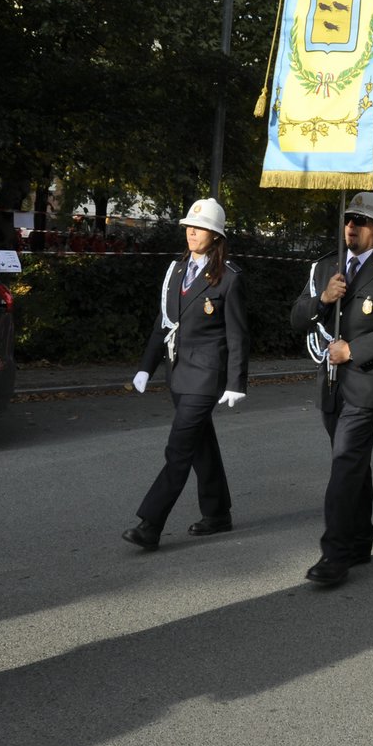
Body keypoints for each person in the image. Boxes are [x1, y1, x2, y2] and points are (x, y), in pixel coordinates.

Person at [290, 192, 373, 587]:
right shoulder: (327, 266)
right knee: (352, 463)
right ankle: (361, 539)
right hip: (331, 383)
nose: (351, 227)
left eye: (360, 221)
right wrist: (322, 299)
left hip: (368, 379)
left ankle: (335, 554)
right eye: (348, 220)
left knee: (345, 461)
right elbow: (296, 319)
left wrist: (353, 350)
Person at [122, 198, 248, 550]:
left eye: (200, 228)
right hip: (177, 372)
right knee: (200, 445)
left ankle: (150, 524)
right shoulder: (176, 270)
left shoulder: (229, 279)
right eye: (189, 227)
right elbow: (164, 322)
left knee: (178, 449)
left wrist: (236, 382)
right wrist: (146, 366)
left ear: (216, 235)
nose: (192, 232)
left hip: (206, 376)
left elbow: (238, 334)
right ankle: (218, 513)